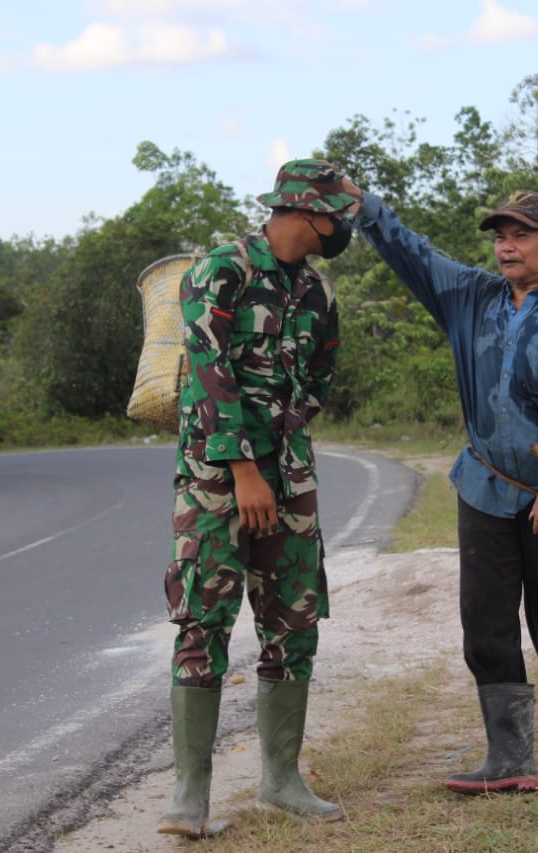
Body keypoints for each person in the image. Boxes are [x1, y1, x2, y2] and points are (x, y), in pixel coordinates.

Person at [344, 180, 538, 794]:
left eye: (522, 235)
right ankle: (510, 755)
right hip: (483, 488)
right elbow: (413, 254)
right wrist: (365, 207)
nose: (507, 246)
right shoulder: (472, 298)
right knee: (486, 620)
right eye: (501, 236)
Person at [157, 159, 359, 837]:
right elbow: (208, 374)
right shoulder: (222, 271)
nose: (343, 226)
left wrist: (284, 449)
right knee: (202, 622)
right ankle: (191, 796)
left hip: (290, 480)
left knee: (294, 622)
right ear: (308, 211)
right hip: (217, 479)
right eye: (338, 213)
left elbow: (320, 376)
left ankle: (281, 779)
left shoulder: (314, 290)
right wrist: (244, 465)